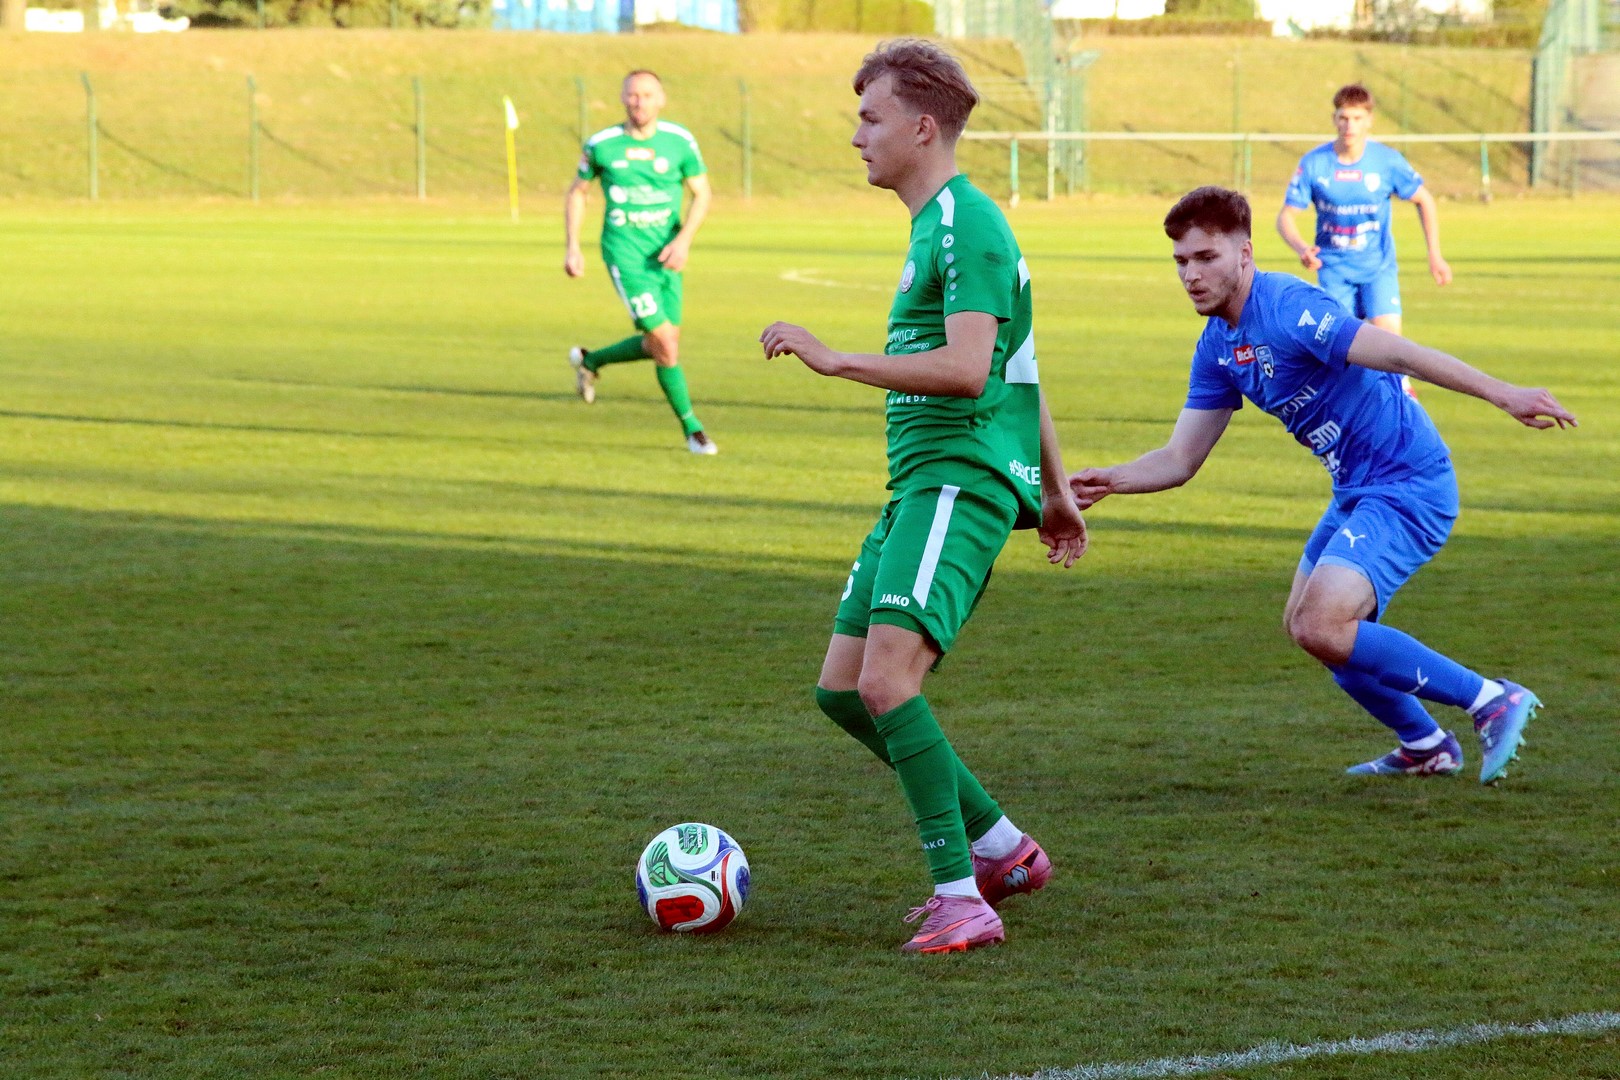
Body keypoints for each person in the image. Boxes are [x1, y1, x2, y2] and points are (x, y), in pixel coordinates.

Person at [1072, 187, 1576, 784]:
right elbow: (1180, 458)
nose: (1191, 275)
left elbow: (1401, 356)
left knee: (1322, 623)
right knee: (1308, 629)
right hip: (1356, 492)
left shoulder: (1290, 309)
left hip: (1408, 483)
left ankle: (1491, 699)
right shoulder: (1217, 347)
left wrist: (1503, 392)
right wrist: (1111, 481)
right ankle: (1425, 745)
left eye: (1206, 257)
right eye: (1181, 261)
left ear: (1245, 253)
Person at [759, 39, 1087, 954]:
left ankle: (961, 897)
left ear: (922, 127)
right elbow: (1022, 370)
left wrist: (836, 359)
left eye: (871, 118)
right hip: (920, 486)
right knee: (842, 690)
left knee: (886, 681)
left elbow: (972, 368)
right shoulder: (937, 223)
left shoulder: (966, 224)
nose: (857, 136)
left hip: (956, 479)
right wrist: (1057, 491)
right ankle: (1003, 849)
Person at [564, 70, 718, 455]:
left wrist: (683, 241)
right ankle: (693, 430)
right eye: (633, 95)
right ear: (622, 98)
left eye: (648, 95)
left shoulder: (679, 142)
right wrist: (573, 247)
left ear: (661, 99)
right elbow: (578, 193)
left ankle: (591, 362)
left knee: (662, 344)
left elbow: (702, 193)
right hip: (626, 255)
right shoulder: (602, 145)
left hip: (667, 256)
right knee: (665, 343)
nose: (640, 102)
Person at [1276, 83, 1450, 398]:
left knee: (1392, 346)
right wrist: (1302, 248)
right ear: (1334, 118)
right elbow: (1285, 217)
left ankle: (1403, 403)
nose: (1350, 126)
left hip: (1377, 268)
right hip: (1333, 271)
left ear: (1369, 120)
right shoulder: (1315, 164)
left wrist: (1434, 255)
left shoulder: (1387, 162)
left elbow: (1424, 200)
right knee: (1342, 355)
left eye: (1357, 118)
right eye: (1344, 118)